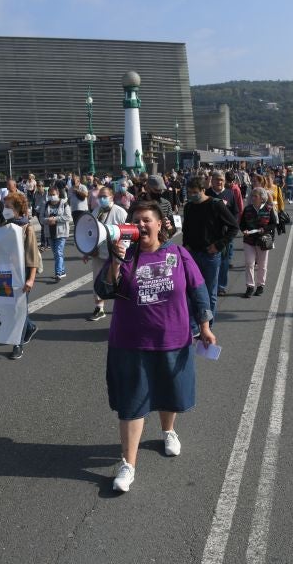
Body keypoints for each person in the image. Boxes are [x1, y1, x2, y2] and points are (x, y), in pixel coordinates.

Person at [95, 200, 216, 493]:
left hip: (172, 339)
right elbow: (104, 290)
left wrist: (204, 326)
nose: (140, 225)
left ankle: (168, 431)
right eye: (135, 220)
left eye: (146, 219)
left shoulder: (178, 254)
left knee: (167, 392)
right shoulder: (125, 256)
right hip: (130, 343)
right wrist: (114, 261)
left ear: (161, 224)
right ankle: (128, 464)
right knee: (132, 402)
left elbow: (198, 290)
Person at [182, 176, 238, 332]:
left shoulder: (216, 204)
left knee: (209, 292)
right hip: (192, 254)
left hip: (210, 255)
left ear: (202, 190)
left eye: (195, 192)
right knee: (192, 291)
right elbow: (186, 228)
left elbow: (234, 227)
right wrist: (185, 245)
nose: (192, 195)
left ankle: (208, 326)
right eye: (189, 192)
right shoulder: (189, 206)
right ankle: (194, 327)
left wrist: (219, 245)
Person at [2, 192, 41, 359]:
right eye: (4, 206)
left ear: (17, 209)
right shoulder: (5, 226)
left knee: (18, 308)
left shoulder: (27, 228)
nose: (5, 210)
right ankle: (30, 327)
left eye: (8, 207)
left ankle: (17, 343)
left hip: (21, 273)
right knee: (8, 306)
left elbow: (32, 256)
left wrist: (30, 279)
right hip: (6, 271)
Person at [83, 185, 128, 321]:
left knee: (117, 281)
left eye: (104, 196)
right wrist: (87, 250)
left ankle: (123, 308)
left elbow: (127, 233)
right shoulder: (96, 211)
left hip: (116, 254)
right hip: (98, 253)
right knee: (97, 280)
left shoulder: (120, 212)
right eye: (100, 197)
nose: (102, 199)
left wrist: (122, 249)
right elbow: (90, 232)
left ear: (111, 197)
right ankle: (99, 308)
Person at [239, 188, 279, 298]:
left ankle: (260, 285)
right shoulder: (247, 209)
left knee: (262, 265)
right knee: (249, 263)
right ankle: (250, 286)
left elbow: (273, 224)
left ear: (262, 198)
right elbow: (242, 224)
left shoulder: (268, 208)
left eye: (255, 196)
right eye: (252, 196)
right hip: (249, 241)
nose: (253, 198)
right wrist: (244, 231)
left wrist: (264, 229)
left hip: (263, 241)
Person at [206, 171, 239, 297]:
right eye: (216, 180)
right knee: (210, 260)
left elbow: (235, 212)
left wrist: (233, 224)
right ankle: (210, 285)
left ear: (224, 181)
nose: (219, 182)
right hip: (209, 234)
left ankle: (221, 286)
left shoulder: (229, 194)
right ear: (212, 181)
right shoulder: (207, 194)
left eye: (221, 180)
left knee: (224, 262)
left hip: (225, 234)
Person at [38, 187, 72, 280]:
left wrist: (55, 219)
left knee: (58, 252)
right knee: (56, 253)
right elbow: (41, 218)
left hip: (61, 232)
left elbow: (68, 217)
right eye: (50, 194)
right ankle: (62, 270)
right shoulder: (45, 204)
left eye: (53, 194)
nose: (52, 196)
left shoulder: (64, 203)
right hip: (49, 232)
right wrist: (48, 220)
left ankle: (58, 273)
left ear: (57, 194)